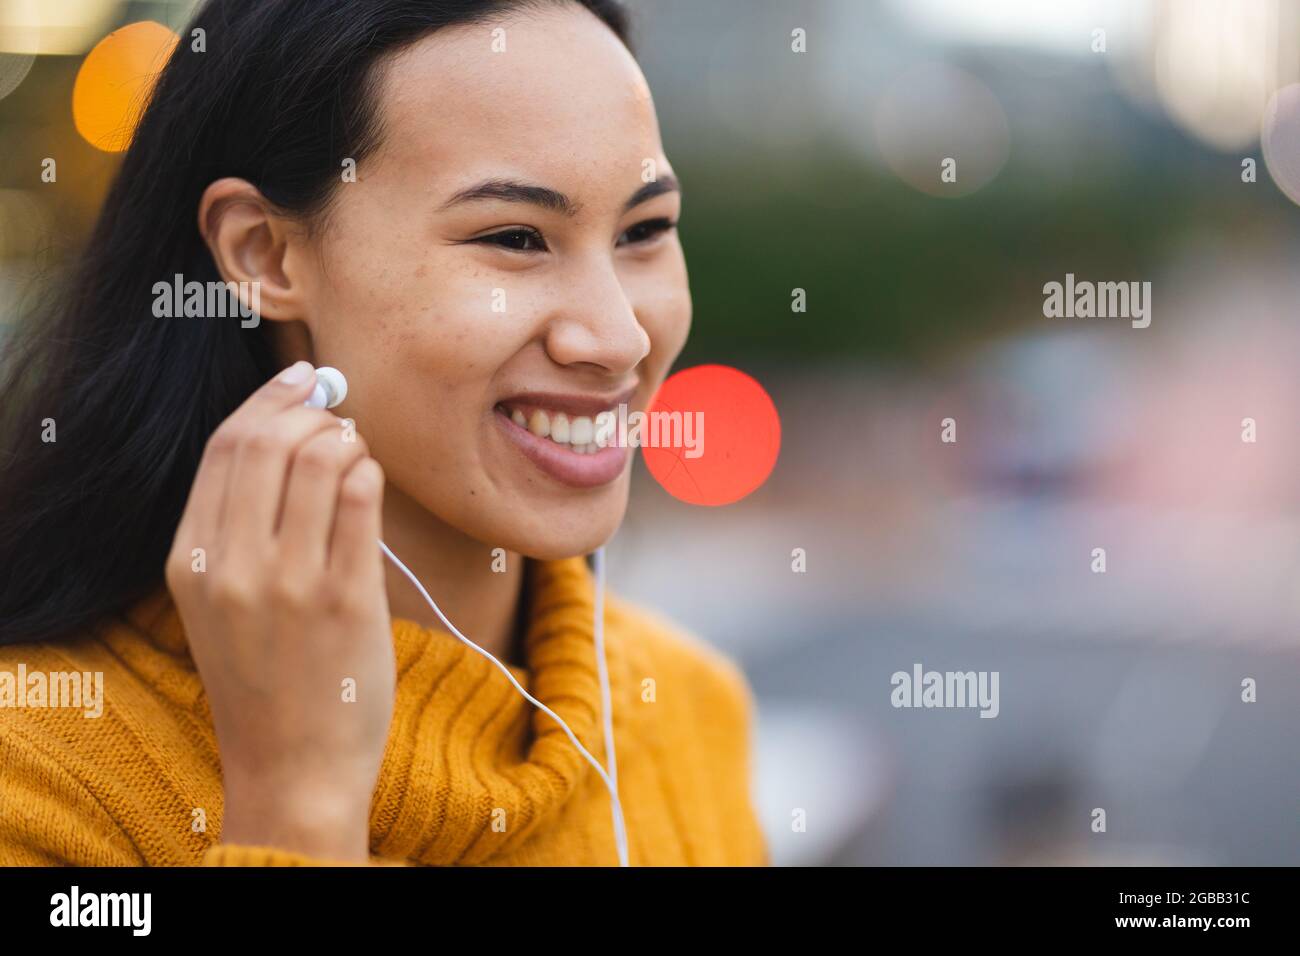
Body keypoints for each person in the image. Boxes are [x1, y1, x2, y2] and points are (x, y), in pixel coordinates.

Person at [0, 0, 767, 866]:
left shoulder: (691, 711)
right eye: (515, 237)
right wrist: (297, 808)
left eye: (645, 231)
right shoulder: (36, 778)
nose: (619, 336)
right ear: (263, 255)